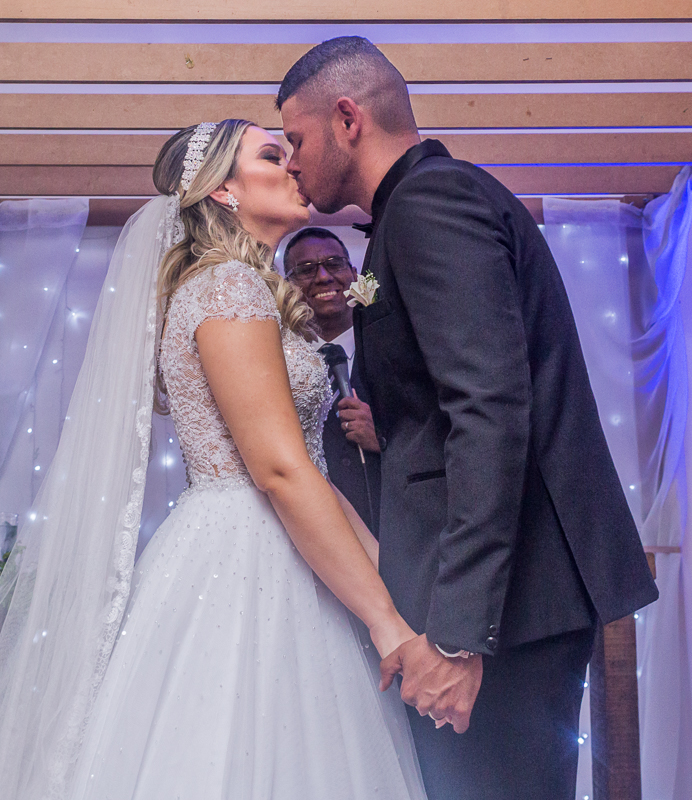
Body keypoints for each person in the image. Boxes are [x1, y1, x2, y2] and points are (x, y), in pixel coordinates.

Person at [0, 119, 429, 800]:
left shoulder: (244, 288)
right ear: (225, 190)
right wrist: (387, 623)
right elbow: (280, 472)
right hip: (246, 557)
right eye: (271, 155)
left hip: (279, 540)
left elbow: (305, 467)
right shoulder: (225, 286)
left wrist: (391, 583)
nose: (293, 167)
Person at [277, 37, 660, 800]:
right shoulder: (417, 208)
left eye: (294, 139)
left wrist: (456, 634)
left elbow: (489, 408)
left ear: (347, 117)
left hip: (502, 613)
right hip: (503, 603)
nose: (289, 161)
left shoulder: (430, 203)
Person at [283, 227, 381, 535]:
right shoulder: (276, 364)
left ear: (354, 273)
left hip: (394, 530)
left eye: (334, 263)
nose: (323, 277)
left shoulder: (394, 348)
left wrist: (384, 439)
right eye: (306, 270)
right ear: (288, 287)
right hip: (310, 534)